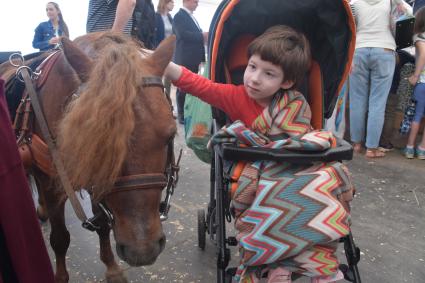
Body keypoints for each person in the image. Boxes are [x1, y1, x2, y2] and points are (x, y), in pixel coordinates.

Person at [164, 25, 348, 283]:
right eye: (252, 67)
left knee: (325, 180)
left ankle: (308, 264)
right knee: (271, 192)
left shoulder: (295, 104)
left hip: (295, 165)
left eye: (268, 73)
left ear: (286, 81)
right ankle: (274, 261)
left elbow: (302, 137)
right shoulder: (237, 97)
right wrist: (162, 62)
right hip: (258, 167)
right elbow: (198, 84)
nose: (254, 78)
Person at [0, 79, 55, 282]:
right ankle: (23, 135)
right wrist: (48, 43)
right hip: (46, 49)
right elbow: (36, 43)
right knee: (20, 81)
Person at [349, 0, 396, 158]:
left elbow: (349, 25)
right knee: (378, 101)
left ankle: (356, 144)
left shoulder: (355, 2)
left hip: (359, 49)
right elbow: (408, 18)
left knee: (357, 99)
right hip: (384, 48)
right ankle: (371, 148)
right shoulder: (392, 1)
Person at [172, 0, 208, 124]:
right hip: (185, 58)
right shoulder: (179, 16)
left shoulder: (192, 17)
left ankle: (187, 111)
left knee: (190, 86)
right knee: (182, 87)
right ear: (186, 1)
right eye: (195, 1)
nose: (197, 4)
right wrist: (202, 36)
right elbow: (182, 35)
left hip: (192, 58)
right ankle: (181, 113)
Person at [405, 6, 425, 159]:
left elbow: (423, 53)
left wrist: (416, 75)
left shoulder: (419, 36)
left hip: (423, 82)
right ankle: (422, 149)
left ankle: (410, 147)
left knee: (417, 115)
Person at [154, 0, 174, 98]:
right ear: (165, 3)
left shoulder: (170, 18)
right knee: (158, 74)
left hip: (169, 51)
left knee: (169, 76)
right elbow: (154, 35)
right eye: (171, 2)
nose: (173, 4)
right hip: (159, 50)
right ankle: (157, 96)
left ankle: (167, 97)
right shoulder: (156, 16)